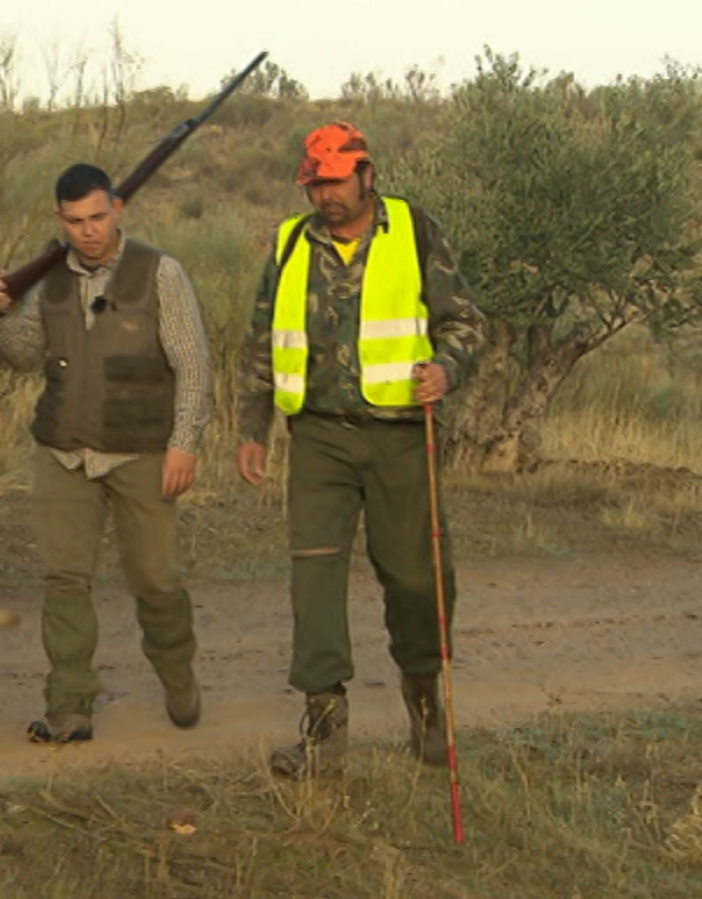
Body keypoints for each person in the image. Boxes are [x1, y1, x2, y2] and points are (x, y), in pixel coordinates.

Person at [235, 122, 486, 778]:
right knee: (313, 576)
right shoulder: (290, 242)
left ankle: (425, 700)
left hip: (403, 434)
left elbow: (464, 321)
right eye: (316, 184)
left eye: (337, 181)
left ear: (367, 174)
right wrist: (251, 427)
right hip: (317, 435)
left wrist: (446, 368)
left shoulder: (413, 228)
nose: (326, 195)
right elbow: (263, 336)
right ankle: (323, 732)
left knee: (414, 577)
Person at [0, 163, 213, 744]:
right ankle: (69, 705)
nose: (88, 231)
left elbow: (192, 364)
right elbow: (19, 354)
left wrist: (183, 444)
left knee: (156, 580)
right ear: (58, 221)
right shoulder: (51, 282)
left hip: (142, 452)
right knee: (65, 580)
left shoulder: (161, 272)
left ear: (117, 208)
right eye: (74, 221)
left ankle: (176, 673)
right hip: (63, 453)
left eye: (97, 217)